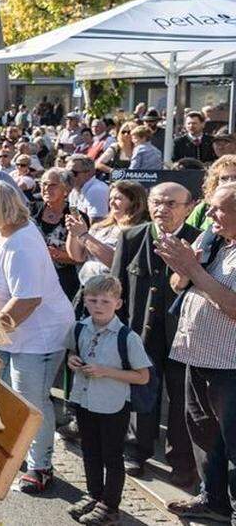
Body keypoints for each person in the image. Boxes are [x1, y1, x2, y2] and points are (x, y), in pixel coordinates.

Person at [0, 180, 75, 494]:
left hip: (37, 336)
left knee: (32, 401)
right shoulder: (3, 233)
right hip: (12, 335)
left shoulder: (22, 242)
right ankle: (22, 457)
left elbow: (27, 300)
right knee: (14, 397)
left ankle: (41, 467)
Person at [157, 183, 236, 522]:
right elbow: (178, 284)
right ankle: (213, 499)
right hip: (196, 353)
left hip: (229, 363)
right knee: (205, 434)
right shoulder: (213, 237)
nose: (209, 214)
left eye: (219, 208)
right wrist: (182, 265)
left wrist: (194, 270)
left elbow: (233, 306)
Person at [112, 182, 199, 485]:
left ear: (189, 208)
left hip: (184, 338)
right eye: (157, 202)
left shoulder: (199, 242)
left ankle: (182, 463)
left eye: (171, 204)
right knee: (143, 394)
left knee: (181, 400)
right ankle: (136, 452)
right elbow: (116, 288)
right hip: (141, 334)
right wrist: (117, 333)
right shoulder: (132, 236)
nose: (162, 209)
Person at [64, 274, 152, 526]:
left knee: (112, 457)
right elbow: (72, 351)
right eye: (93, 300)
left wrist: (106, 371)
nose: (99, 306)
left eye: (105, 301)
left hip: (113, 406)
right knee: (89, 451)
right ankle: (94, 494)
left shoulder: (127, 337)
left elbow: (143, 376)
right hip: (84, 402)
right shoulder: (80, 327)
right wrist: (72, 360)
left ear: (118, 303)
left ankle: (110, 505)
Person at [66, 180, 148, 285]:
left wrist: (84, 236)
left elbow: (118, 263)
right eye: (110, 198)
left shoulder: (139, 230)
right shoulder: (100, 227)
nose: (112, 203)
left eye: (118, 198)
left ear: (134, 201)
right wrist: (74, 232)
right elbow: (78, 257)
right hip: (88, 288)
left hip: (113, 292)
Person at [31, 168, 85, 300]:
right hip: (32, 276)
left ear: (65, 189)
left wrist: (58, 255)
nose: (46, 188)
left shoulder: (76, 216)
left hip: (63, 282)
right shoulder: (30, 210)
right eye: (43, 184)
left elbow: (82, 256)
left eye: (52, 185)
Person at [187, 154, 236, 230]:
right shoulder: (203, 209)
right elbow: (187, 234)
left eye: (235, 177)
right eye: (224, 178)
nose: (230, 182)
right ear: (216, 182)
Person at [68, 154, 110, 220]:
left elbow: (97, 224)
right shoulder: (73, 193)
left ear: (89, 173)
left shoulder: (97, 190)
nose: (69, 177)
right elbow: (75, 218)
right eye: (67, 173)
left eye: (73, 173)